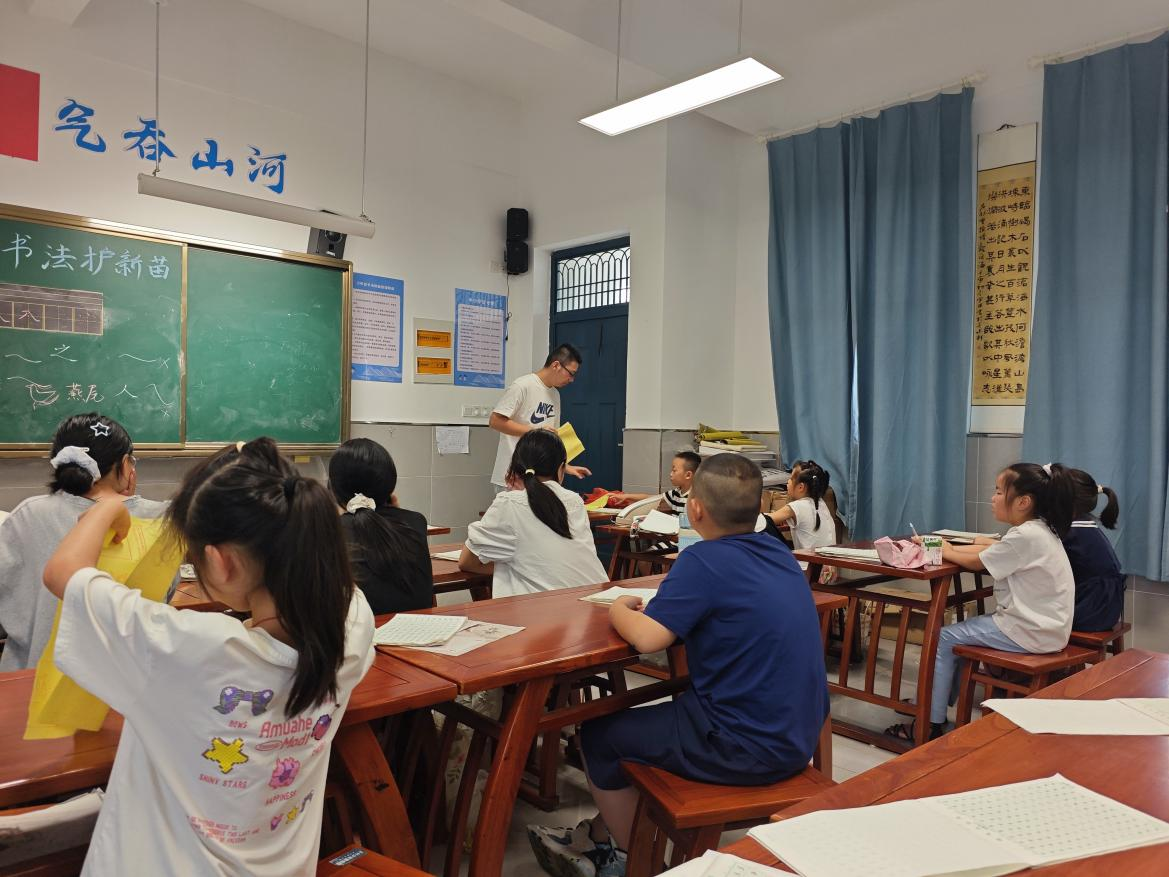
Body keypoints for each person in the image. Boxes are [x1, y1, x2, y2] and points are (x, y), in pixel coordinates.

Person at [40, 437, 375, 875]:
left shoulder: (188, 648)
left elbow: (62, 573)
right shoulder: (350, 630)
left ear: (219, 562)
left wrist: (108, 505)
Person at [528, 454, 829, 877]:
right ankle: (599, 835)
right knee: (660, 721)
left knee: (598, 736)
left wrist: (618, 607)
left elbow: (649, 638)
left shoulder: (703, 559)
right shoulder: (779, 555)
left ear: (695, 508)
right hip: (798, 735)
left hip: (745, 746)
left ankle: (637, 863)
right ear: (761, 507)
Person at [891, 462, 1076, 742]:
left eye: (999, 492)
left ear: (1023, 502)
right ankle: (929, 702)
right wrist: (949, 548)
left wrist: (944, 548)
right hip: (1046, 628)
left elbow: (976, 562)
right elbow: (991, 551)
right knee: (956, 635)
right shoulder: (1039, 529)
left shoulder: (1025, 535)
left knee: (943, 637)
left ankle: (929, 722)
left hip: (1031, 631)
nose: (993, 497)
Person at [0, 412, 166, 672]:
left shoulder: (28, 514)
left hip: (32, 677)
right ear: (126, 465)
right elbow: (163, 595)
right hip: (126, 680)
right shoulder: (158, 518)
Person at [461, 429, 607, 597]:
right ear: (561, 469)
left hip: (548, 608)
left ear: (516, 467)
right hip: (595, 600)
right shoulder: (575, 501)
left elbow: (467, 562)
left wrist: (511, 567)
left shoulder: (509, 503)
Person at [329, 437, 434, 613]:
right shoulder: (416, 521)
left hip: (363, 627)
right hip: (420, 624)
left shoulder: (331, 530)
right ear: (390, 484)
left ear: (334, 489)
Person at [489, 344, 591, 490]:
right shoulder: (522, 386)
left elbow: (549, 440)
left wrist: (565, 467)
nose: (571, 380)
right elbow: (495, 421)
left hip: (541, 480)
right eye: (571, 373)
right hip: (513, 478)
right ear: (556, 365)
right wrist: (535, 431)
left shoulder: (555, 395)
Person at [1064, 468, 1125, 632]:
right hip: (1106, 609)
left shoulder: (1070, 532)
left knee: (1026, 619)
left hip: (1090, 612)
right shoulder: (1085, 526)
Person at [767, 460, 835, 550]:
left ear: (800, 487)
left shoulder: (797, 506)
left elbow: (765, 519)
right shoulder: (820, 503)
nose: (788, 481)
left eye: (791, 479)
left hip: (807, 559)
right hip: (827, 558)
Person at [608, 450, 701, 515]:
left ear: (688, 475)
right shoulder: (676, 493)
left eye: (674, 470)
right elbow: (651, 498)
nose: (670, 474)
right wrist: (626, 496)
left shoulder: (697, 498)